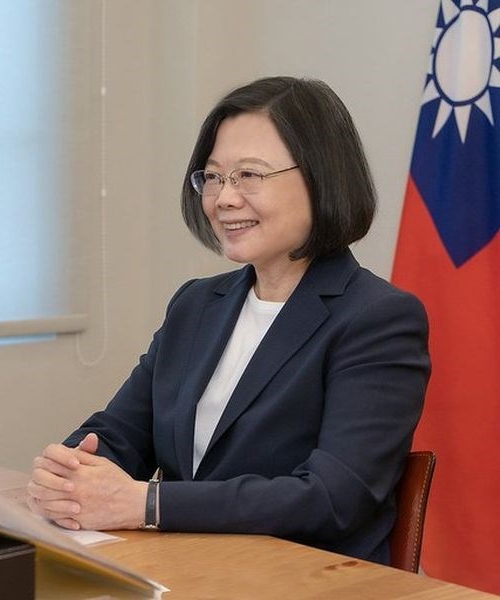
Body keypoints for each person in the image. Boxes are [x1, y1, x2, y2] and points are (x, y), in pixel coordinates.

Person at [26, 76, 431, 565]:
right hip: (187, 574)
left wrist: (146, 504)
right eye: (213, 177)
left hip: (308, 583)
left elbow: (331, 497)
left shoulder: (378, 319)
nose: (224, 199)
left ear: (322, 178)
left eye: (249, 176)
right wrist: (71, 474)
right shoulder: (196, 305)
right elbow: (121, 434)